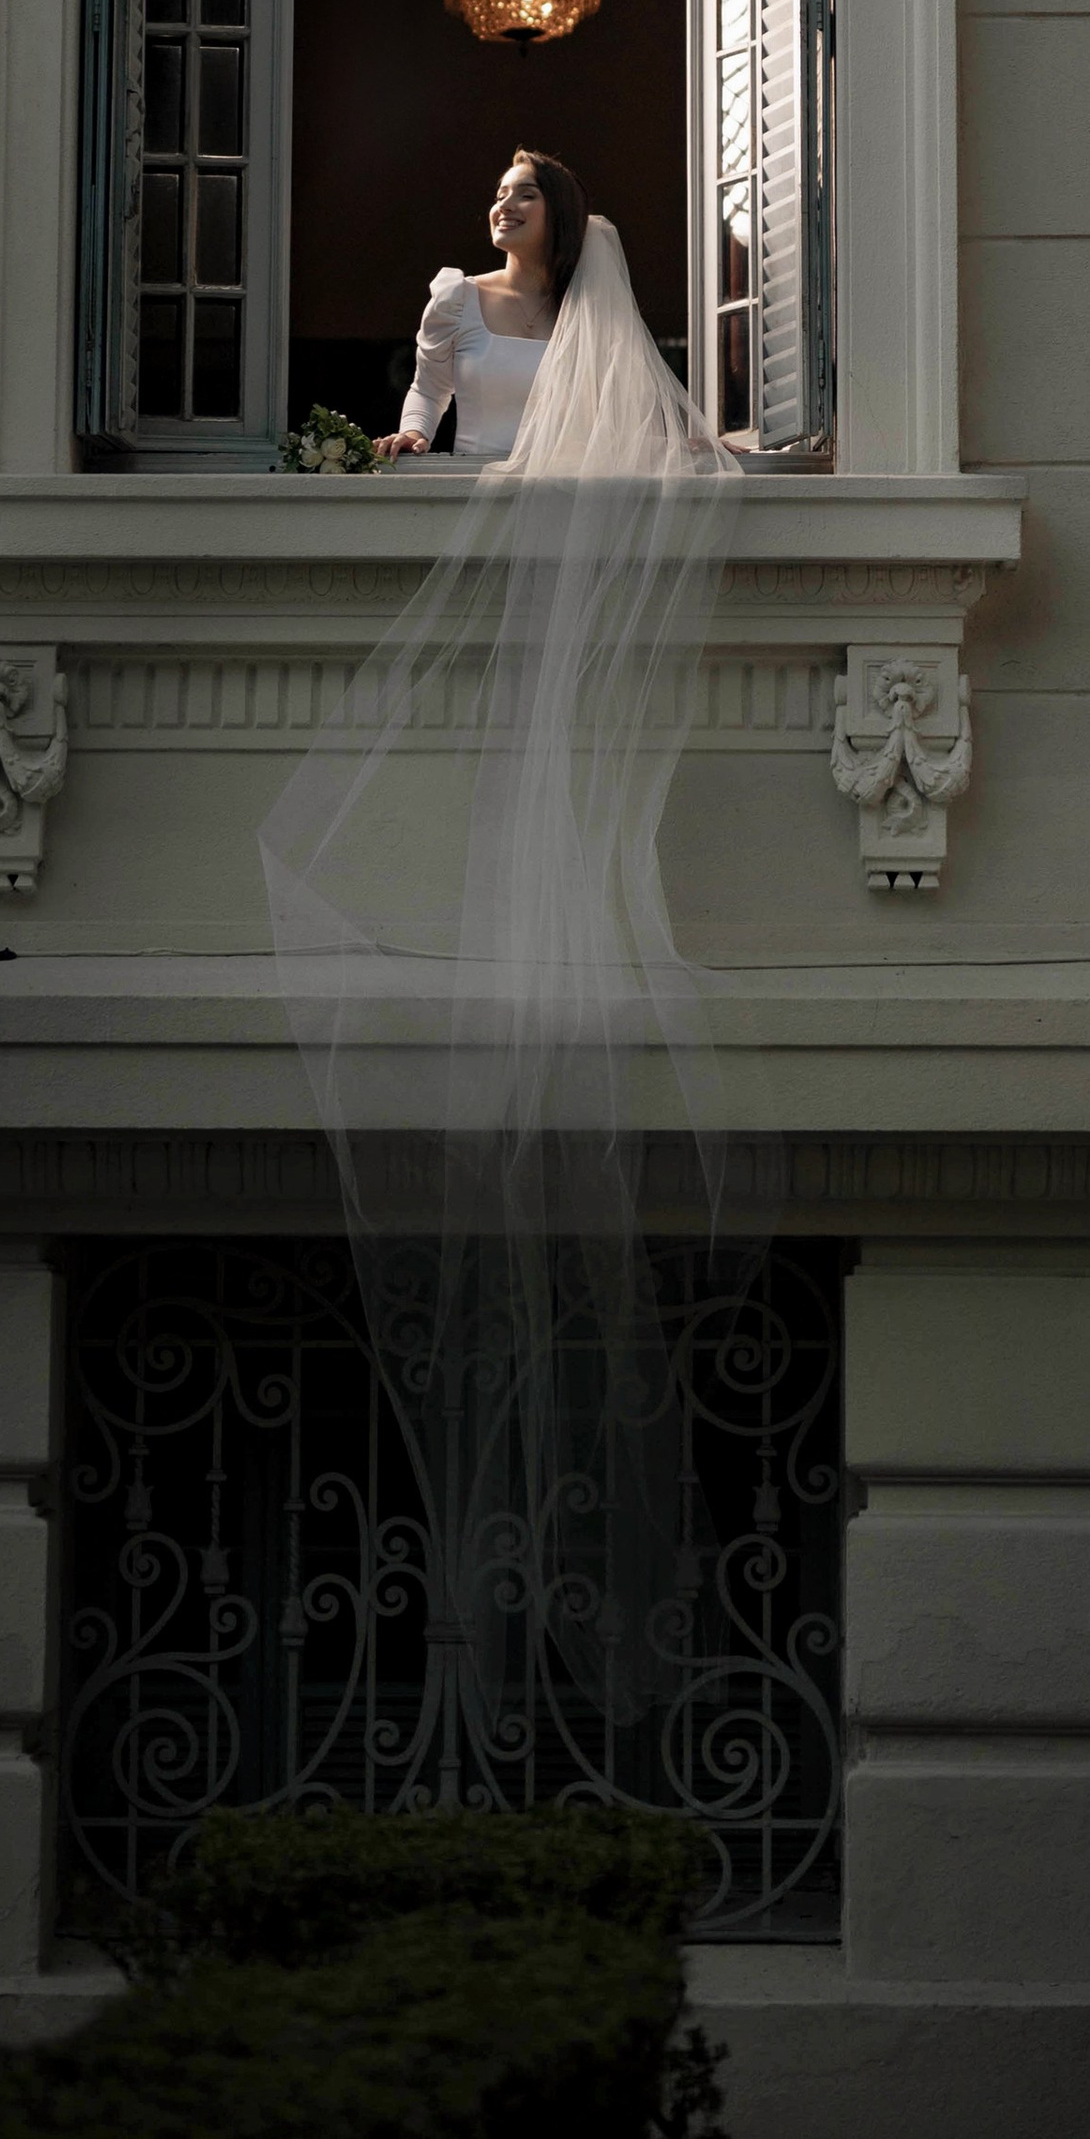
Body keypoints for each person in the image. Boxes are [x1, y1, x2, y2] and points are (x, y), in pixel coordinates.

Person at [261, 147, 757, 1790]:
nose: (502, 220)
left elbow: (664, 432)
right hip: (490, 523)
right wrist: (399, 448)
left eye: (522, 200)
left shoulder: (606, 321)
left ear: (566, 216)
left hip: (562, 544)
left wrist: (719, 451)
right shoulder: (451, 305)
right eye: (495, 200)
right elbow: (426, 407)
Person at [377, 146, 582, 465]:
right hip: (473, 486)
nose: (505, 206)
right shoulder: (458, 298)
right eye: (501, 196)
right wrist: (415, 433)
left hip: (561, 490)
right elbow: (429, 390)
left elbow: (621, 406)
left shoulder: (587, 308)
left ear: (559, 213)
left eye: (525, 196)